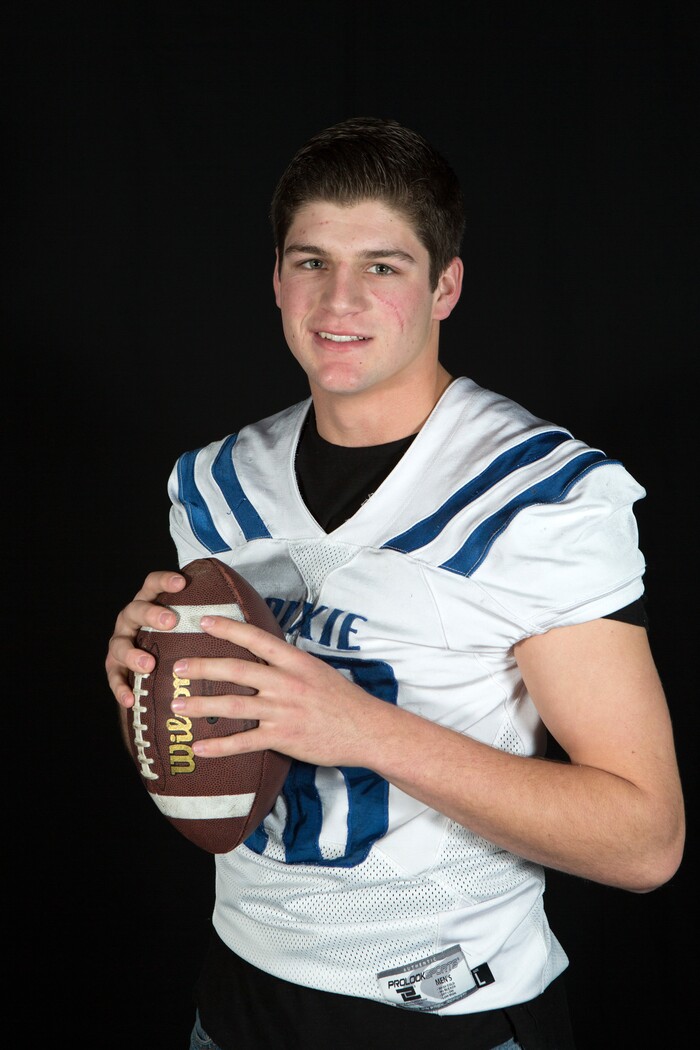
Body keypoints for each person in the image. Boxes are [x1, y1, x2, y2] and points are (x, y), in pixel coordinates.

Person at [105, 116, 685, 1050]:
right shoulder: (211, 486)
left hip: (453, 1015)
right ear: (277, 281)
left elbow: (646, 841)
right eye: (310, 262)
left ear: (444, 285)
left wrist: (356, 726)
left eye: (383, 265)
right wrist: (149, 686)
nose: (339, 299)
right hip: (238, 998)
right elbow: (210, 747)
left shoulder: (546, 498)